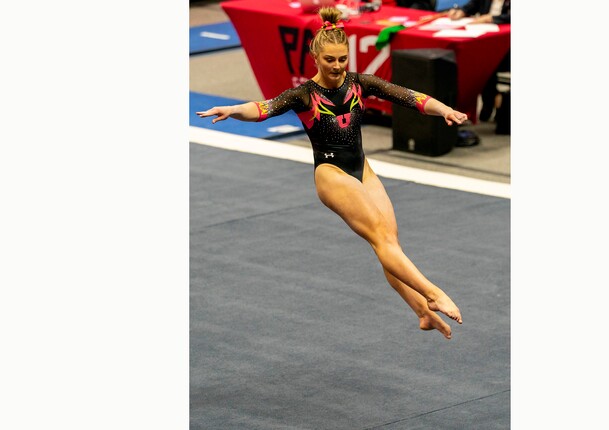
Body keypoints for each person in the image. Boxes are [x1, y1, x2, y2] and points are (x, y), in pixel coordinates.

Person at [196, 7, 467, 340]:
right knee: (382, 240)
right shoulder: (303, 95)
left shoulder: (360, 83)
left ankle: (422, 312)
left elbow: (409, 97)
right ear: (315, 57)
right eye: (330, 60)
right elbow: (263, 109)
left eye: (342, 59)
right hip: (331, 173)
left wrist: (445, 110)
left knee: (388, 244)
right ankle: (433, 294)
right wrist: (233, 109)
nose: (337, 66)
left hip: (362, 169)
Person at [448, 0, 510, 122]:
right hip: (485, 39)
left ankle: (495, 101)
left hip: (507, 45)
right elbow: (473, 4)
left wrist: (491, 18)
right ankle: (485, 101)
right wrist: (462, 11)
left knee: (488, 63)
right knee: (476, 61)